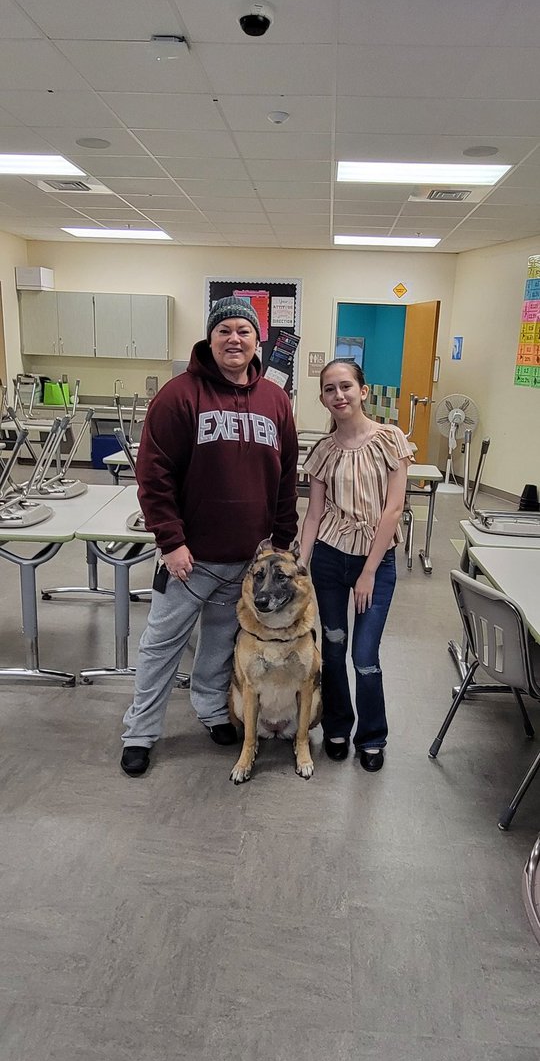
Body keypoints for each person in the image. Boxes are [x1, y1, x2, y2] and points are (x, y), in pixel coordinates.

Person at [120, 297, 299, 776]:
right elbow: (152, 474)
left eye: (243, 330)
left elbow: (286, 476)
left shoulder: (275, 401)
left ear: (257, 339)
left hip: (246, 561)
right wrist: (170, 541)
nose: (234, 339)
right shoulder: (180, 396)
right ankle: (140, 733)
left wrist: (282, 536)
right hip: (189, 559)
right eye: (224, 331)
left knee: (220, 646)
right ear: (210, 338)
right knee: (162, 645)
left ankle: (211, 710)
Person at [299, 359, 414, 771]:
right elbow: (313, 516)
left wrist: (368, 570)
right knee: (332, 649)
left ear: (363, 391)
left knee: (365, 656)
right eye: (330, 389)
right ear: (323, 399)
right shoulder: (323, 451)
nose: (339, 395)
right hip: (329, 559)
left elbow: (394, 508)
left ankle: (372, 737)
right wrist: (301, 564)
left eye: (346, 386)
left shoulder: (390, 440)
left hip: (375, 564)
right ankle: (335, 728)